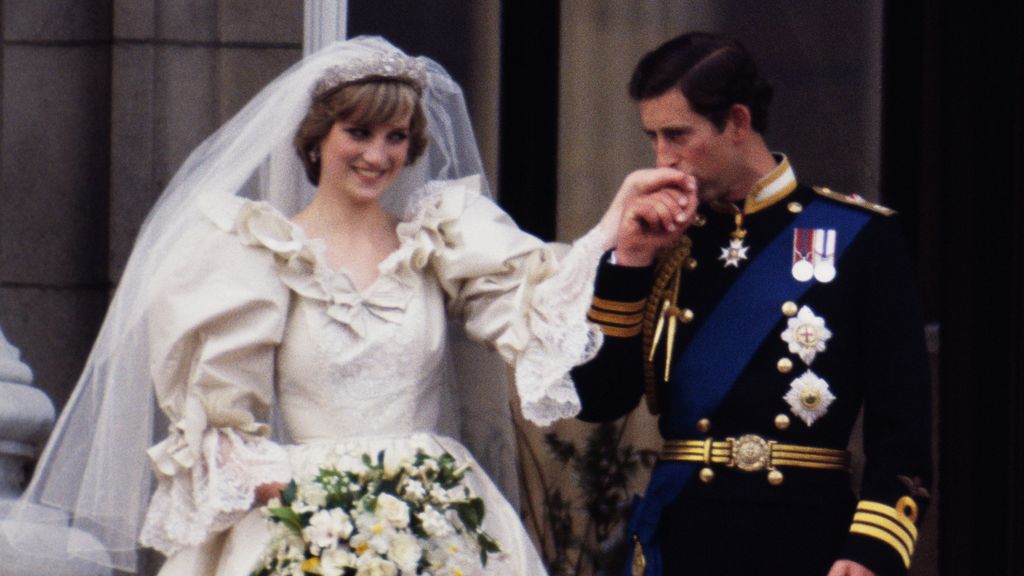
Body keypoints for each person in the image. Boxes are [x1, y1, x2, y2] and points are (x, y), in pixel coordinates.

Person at [6, 37, 666, 575]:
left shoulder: (440, 239)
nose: (379, 155)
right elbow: (216, 425)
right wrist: (318, 513)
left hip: (439, 517)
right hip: (299, 524)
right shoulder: (253, 251)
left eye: (398, 137)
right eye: (360, 132)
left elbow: (539, 310)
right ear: (318, 136)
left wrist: (613, 228)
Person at [572, 32, 932, 576]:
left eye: (677, 135)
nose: (661, 158)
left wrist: (872, 549)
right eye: (652, 138)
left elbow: (901, 425)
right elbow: (598, 399)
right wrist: (630, 263)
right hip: (685, 535)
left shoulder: (860, 237)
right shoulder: (663, 238)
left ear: (737, 122)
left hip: (805, 539)